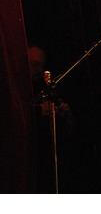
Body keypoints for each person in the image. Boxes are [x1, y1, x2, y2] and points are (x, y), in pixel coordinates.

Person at [28, 45, 79, 193]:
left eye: (42, 66)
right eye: (34, 65)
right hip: (28, 161)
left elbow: (72, 131)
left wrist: (67, 115)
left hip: (50, 161)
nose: (39, 70)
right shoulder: (16, 89)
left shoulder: (48, 90)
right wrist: (37, 111)